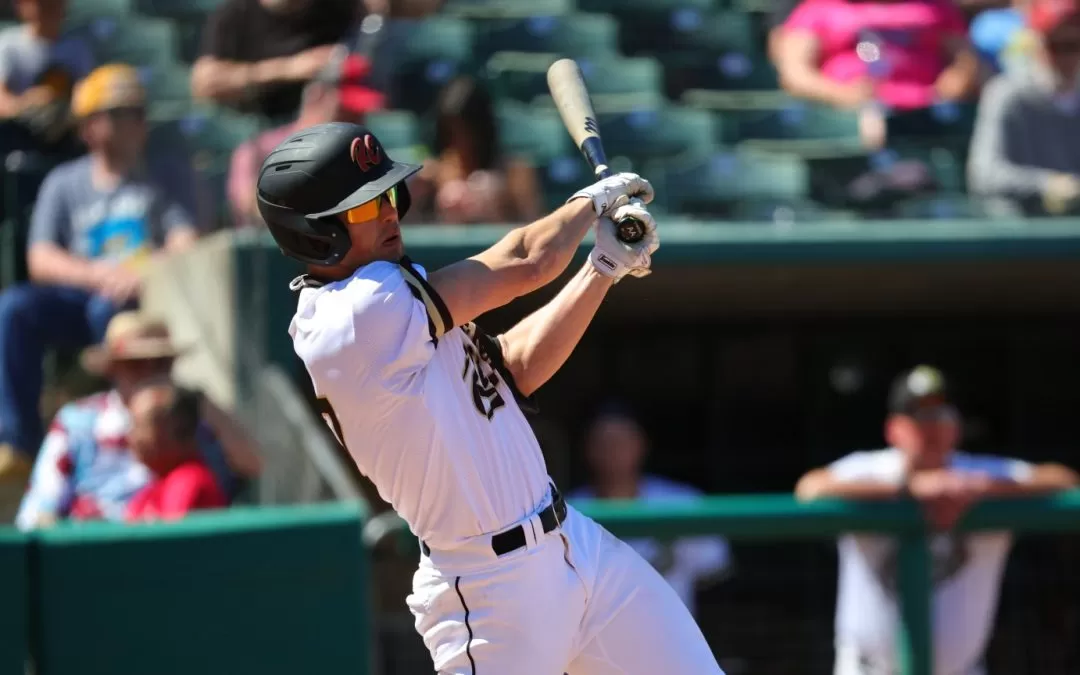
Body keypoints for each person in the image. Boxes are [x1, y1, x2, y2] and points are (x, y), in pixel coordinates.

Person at [256, 121, 722, 674]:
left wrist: (602, 269)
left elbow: (514, 367)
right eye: (362, 208)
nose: (387, 214)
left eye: (387, 196)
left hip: (574, 545)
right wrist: (590, 202)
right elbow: (526, 260)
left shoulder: (394, 298)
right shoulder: (355, 315)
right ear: (314, 232)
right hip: (488, 591)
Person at [795, 365, 1078, 675]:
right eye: (918, 416)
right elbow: (810, 489)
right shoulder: (871, 470)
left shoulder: (981, 473)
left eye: (940, 415)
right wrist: (909, 489)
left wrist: (983, 488)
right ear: (894, 429)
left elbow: (1066, 482)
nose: (930, 426)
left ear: (956, 425)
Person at [0, 64, 200, 487]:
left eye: (137, 112)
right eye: (121, 112)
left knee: (111, 312)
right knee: (14, 308)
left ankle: (125, 433)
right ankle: (19, 445)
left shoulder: (164, 177)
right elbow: (40, 258)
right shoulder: (63, 183)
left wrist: (140, 270)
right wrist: (98, 274)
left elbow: (186, 241)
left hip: (147, 302)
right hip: (83, 296)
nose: (136, 121)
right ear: (89, 127)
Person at [14, 311, 260, 529]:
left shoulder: (196, 417)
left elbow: (253, 464)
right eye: (136, 364)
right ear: (113, 369)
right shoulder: (77, 422)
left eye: (162, 362)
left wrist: (205, 406)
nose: (150, 373)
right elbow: (38, 512)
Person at [569, 402, 733, 618]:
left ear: (641, 444)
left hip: (670, 640)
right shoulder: (567, 512)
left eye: (621, 442)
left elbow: (714, 570)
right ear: (588, 449)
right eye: (604, 443)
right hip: (596, 643)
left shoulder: (682, 503)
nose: (613, 451)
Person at [227, 52, 385, 228]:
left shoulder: (362, 158)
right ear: (316, 97)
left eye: (358, 114)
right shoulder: (259, 150)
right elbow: (252, 207)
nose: (354, 122)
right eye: (345, 111)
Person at [967, 0, 1080, 215]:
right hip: (1024, 225)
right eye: (1055, 45)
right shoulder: (1007, 94)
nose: (1065, 57)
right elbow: (984, 173)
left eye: (1073, 45)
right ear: (1036, 45)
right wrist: (1047, 185)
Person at [407, 76, 542, 225]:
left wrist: (501, 204)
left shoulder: (515, 173)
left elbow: (533, 226)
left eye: (467, 132)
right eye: (451, 133)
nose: (461, 142)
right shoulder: (431, 174)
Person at [191, 0, 359, 120]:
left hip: (326, 124)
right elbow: (204, 85)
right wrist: (288, 69)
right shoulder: (235, 12)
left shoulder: (339, 8)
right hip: (254, 128)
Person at [125, 381, 228, 523]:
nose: (132, 436)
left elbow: (170, 540)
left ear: (181, 430)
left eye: (141, 425)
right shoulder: (156, 487)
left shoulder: (188, 480)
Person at [0, 0, 95, 152]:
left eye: (55, 2)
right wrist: (25, 105)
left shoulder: (78, 49)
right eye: (42, 3)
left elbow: (87, 97)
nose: (50, 7)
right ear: (22, 6)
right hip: (19, 143)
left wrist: (64, 109)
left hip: (66, 142)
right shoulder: (9, 45)